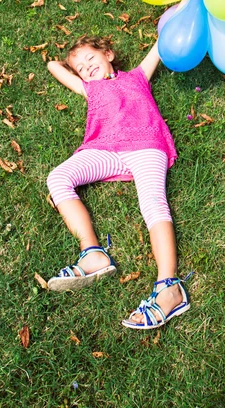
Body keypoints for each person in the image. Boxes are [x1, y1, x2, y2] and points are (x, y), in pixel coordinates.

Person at [46, 35, 191, 330]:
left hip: (145, 146)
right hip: (104, 149)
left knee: (152, 202)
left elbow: (162, 44)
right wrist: (75, 67)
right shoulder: (89, 88)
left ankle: (170, 287)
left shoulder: (138, 76)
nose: (87, 68)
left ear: (109, 54)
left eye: (91, 59)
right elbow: (53, 66)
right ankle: (93, 254)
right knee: (58, 177)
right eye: (81, 68)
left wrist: (183, 6)